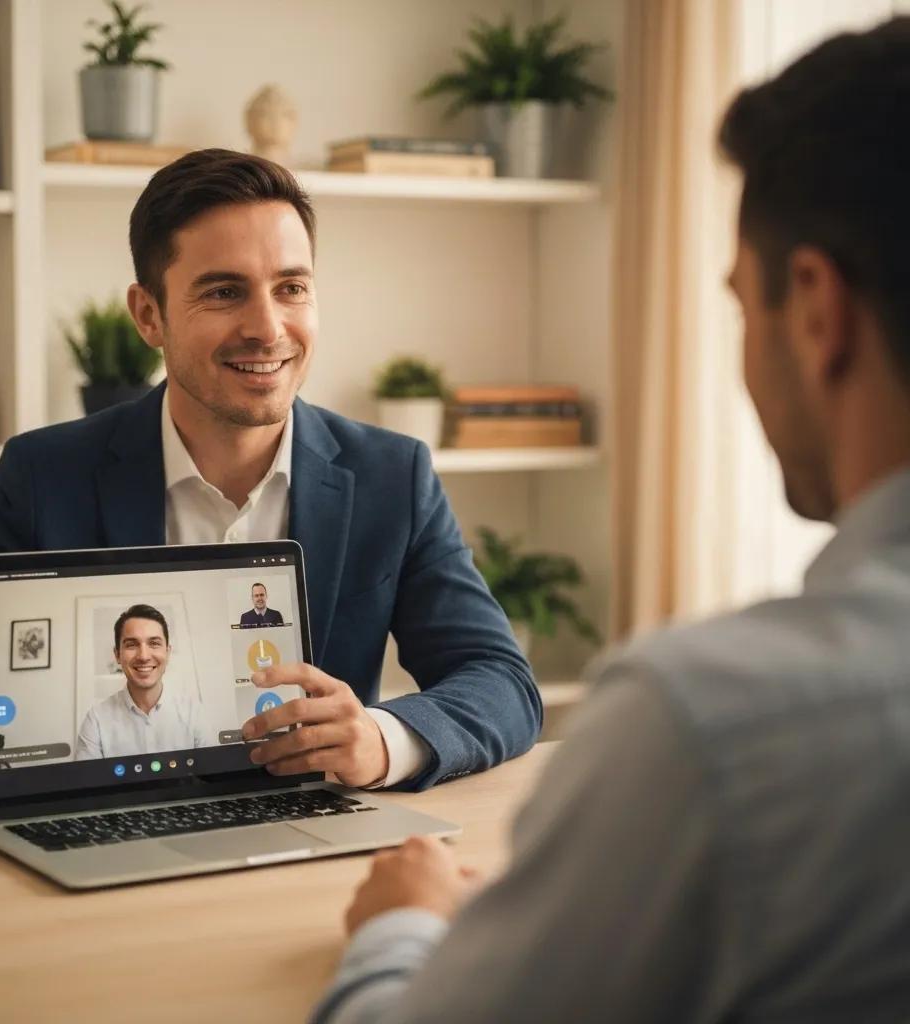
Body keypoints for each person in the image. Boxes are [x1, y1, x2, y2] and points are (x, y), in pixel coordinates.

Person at [311, 18, 910, 1024]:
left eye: (736, 308)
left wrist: (399, 928)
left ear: (814, 310)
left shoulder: (713, 730)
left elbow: (499, 684)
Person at [0, 149, 540, 797]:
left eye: (291, 288)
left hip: (318, 846)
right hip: (113, 844)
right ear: (149, 315)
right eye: (224, 291)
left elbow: (499, 679)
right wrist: (78, 769)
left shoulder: (392, 476)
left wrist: (380, 740)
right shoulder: (45, 474)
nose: (267, 329)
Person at [75, 604, 212, 760]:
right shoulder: (96, 720)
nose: (144, 656)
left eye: (154, 643)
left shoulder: (194, 713)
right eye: (132, 644)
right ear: (117, 655)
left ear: (167, 652)